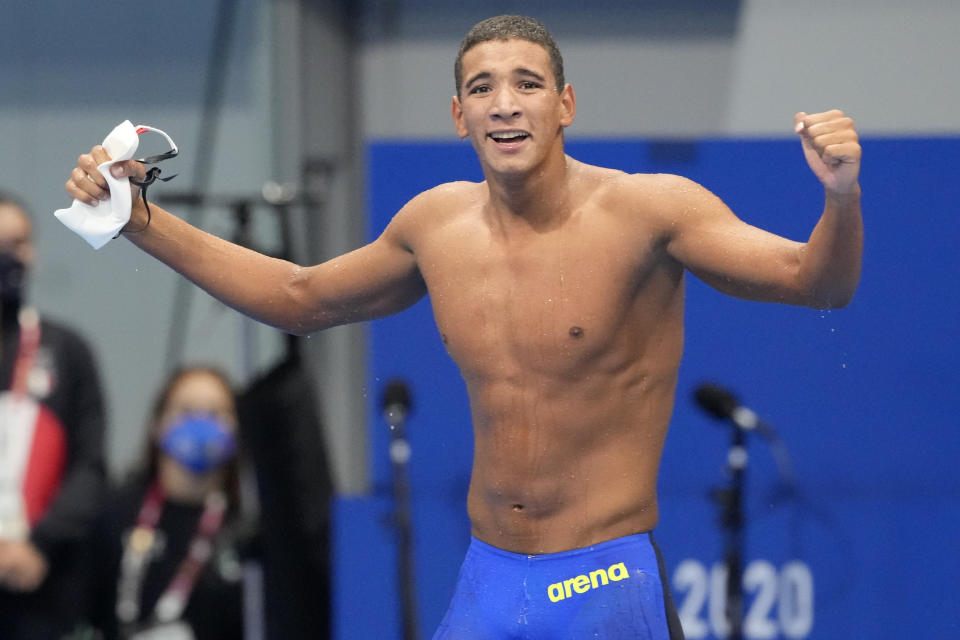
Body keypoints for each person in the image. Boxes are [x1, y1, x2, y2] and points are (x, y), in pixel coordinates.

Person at [63, 14, 862, 639]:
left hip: (606, 584)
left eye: (527, 83)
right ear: (458, 115)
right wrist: (140, 222)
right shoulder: (435, 225)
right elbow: (300, 298)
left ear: (566, 104)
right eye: (482, 87)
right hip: (488, 580)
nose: (505, 103)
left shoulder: (650, 211)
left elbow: (814, 282)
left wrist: (840, 197)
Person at [0, 192, 108, 639]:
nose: (6, 257)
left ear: (33, 253)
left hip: (42, 580)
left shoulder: (66, 352)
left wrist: (40, 545)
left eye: (17, 243)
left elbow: (89, 467)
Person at [85, 365, 246, 640]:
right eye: (185, 411)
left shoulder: (247, 528)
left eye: (215, 414)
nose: (200, 423)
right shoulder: (112, 513)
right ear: (158, 424)